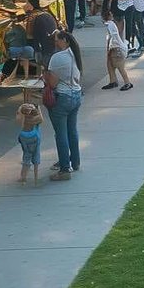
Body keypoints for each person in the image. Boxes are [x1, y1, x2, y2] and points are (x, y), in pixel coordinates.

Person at [46, 30, 84, 180]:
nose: (55, 42)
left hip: (62, 97)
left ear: (65, 40)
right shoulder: (75, 54)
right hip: (76, 95)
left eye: (57, 40)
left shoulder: (57, 58)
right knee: (72, 131)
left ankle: (64, 169)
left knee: (61, 133)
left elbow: (53, 83)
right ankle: (75, 161)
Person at [99, 9, 132, 91]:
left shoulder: (110, 24)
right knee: (110, 65)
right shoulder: (110, 24)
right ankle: (113, 81)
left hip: (116, 48)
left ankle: (127, 83)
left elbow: (112, 37)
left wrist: (109, 48)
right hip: (115, 47)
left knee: (119, 65)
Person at [26, 0, 59, 67]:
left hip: (42, 49)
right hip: (52, 46)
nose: (24, 6)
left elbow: (29, 36)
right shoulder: (47, 13)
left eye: (26, 3)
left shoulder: (32, 17)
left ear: (31, 6)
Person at [15, 102, 43, 183]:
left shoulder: (23, 117)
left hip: (24, 137)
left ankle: (23, 177)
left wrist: (20, 108)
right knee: (36, 154)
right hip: (35, 137)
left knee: (26, 155)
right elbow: (41, 119)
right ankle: (36, 177)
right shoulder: (35, 118)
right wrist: (38, 108)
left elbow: (18, 117)